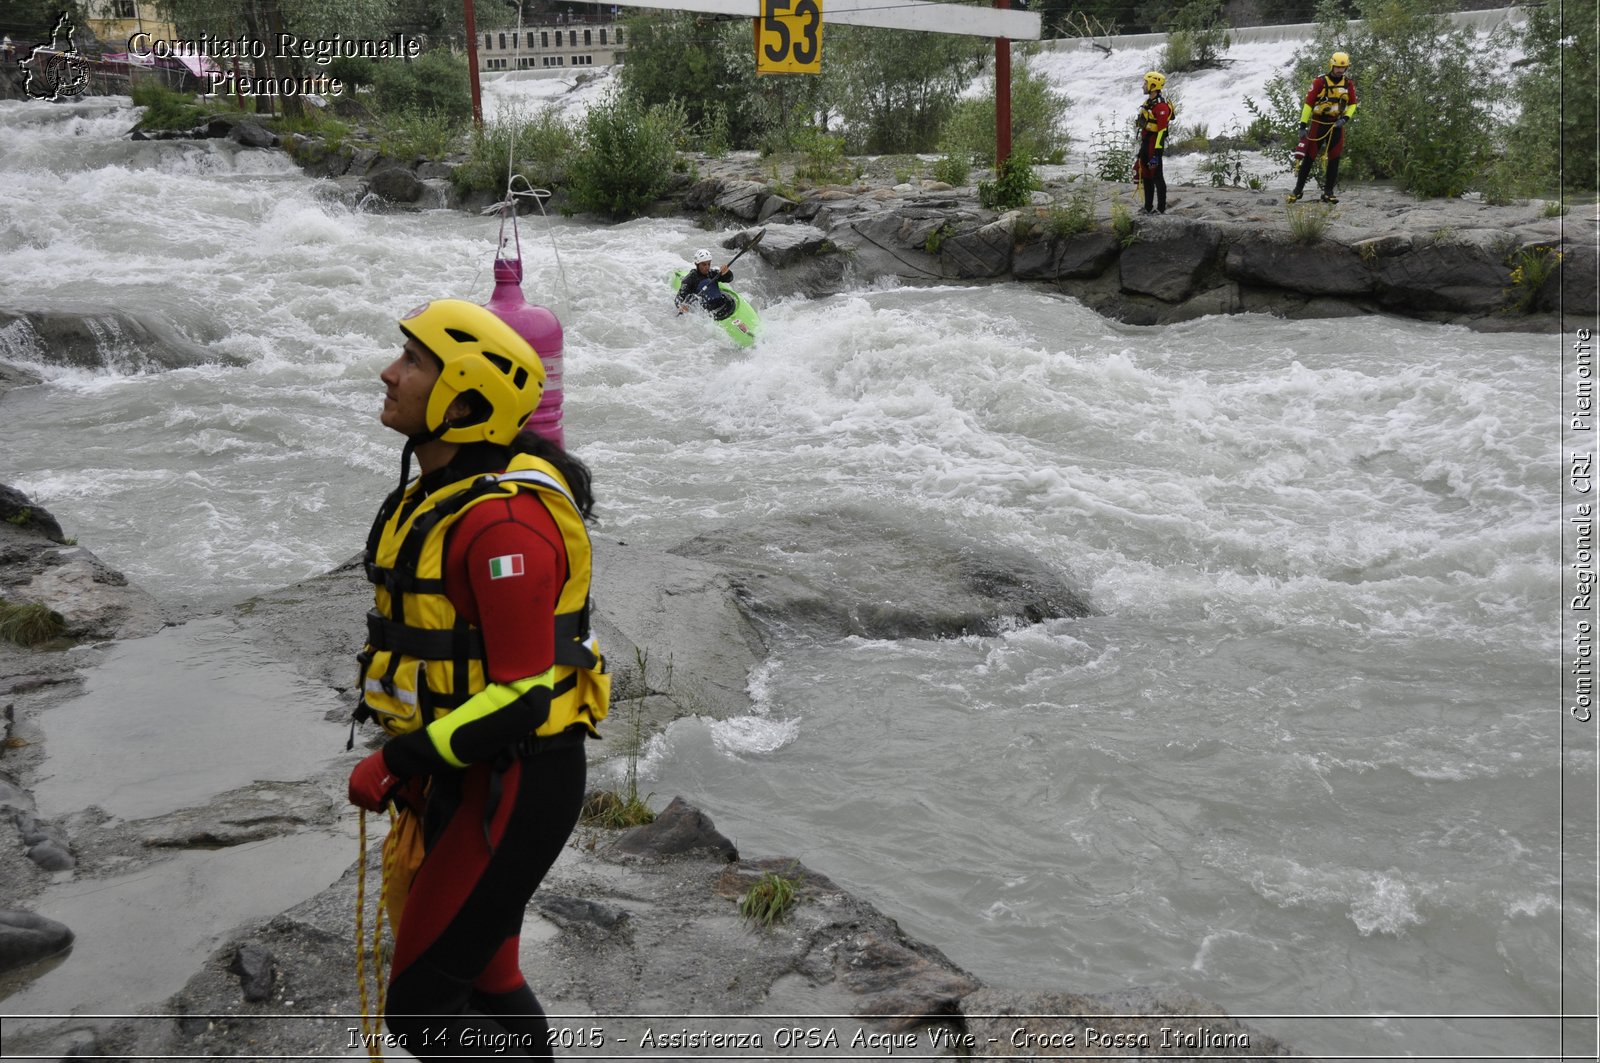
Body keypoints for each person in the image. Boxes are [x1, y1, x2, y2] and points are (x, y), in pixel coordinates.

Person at [347, 297, 607, 1061]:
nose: (388, 373)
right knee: (490, 976)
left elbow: (524, 697)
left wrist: (396, 760)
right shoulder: (444, 492)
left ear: (462, 396)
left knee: (423, 1012)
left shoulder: (504, 527)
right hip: (469, 775)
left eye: (413, 362)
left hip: (516, 785)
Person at [1287, 51, 1359, 205]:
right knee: (1309, 157)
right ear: (1331, 66)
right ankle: (1298, 190)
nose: (1340, 70)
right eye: (1337, 67)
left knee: (1334, 158)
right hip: (1319, 123)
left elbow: (1353, 104)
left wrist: (1345, 119)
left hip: (1336, 125)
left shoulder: (1348, 83)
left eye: (1343, 68)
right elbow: (1308, 104)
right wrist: (1302, 126)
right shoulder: (1319, 82)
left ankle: (1328, 192)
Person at [1134, 70, 1173, 215]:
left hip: (1154, 145)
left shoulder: (1161, 107)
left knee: (1157, 176)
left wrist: (1157, 153)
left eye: (1145, 83)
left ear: (1153, 84)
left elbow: (1162, 131)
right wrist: (1140, 151)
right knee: (1146, 175)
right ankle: (1148, 206)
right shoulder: (1149, 103)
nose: (1143, 86)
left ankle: (1161, 208)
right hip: (1146, 143)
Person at [675, 248, 735, 320]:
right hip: (708, 310)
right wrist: (682, 306)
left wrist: (726, 272)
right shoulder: (690, 279)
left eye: (708, 264)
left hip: (720, 304)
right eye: (704, 264)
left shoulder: (712, 273)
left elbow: (729, 279)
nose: (707, 267)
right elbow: (678, 298)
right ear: (697, 264)